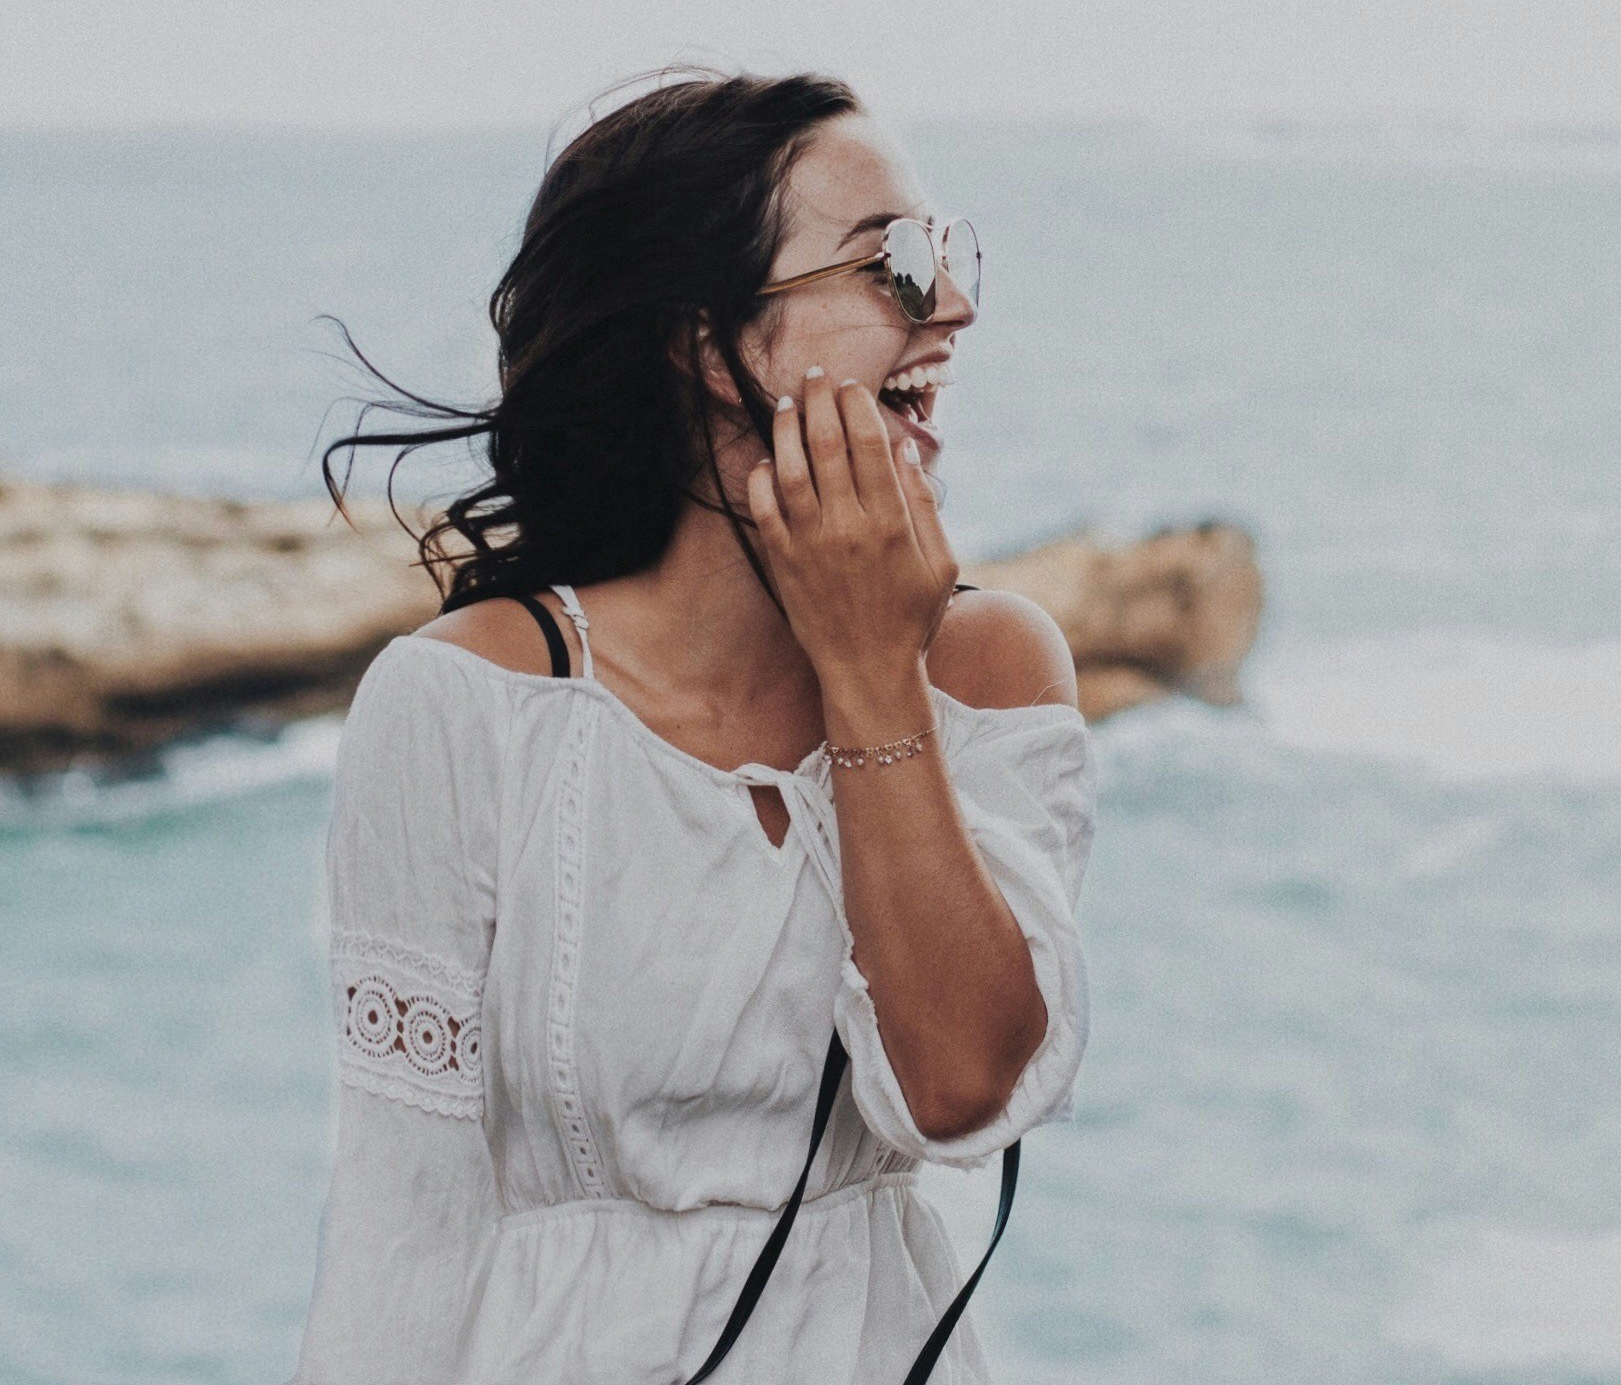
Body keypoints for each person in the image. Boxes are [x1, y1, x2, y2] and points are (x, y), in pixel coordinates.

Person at [292, 71, 1094, 1384]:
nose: (948, 304)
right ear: (705, 344)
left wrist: (871, 670)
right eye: (888, 260)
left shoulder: (990, 665)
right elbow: (403, 1233)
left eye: (952, 254)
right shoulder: (466, 702)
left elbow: (960, 1088)